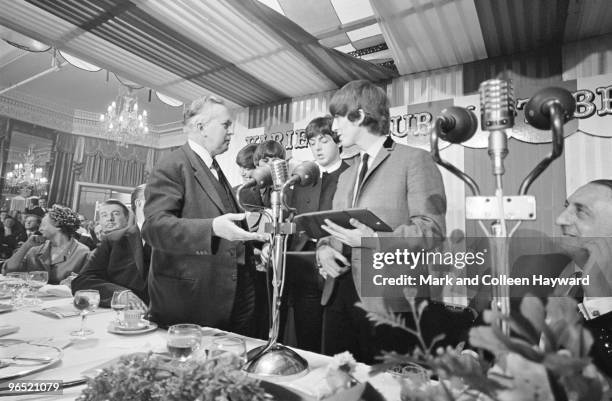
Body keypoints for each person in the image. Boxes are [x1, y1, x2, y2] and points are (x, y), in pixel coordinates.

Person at [315, 80, 448, 363]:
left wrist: (373, 241)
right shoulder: (346, 174)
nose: (333, 126)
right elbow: (332, 230)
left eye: (338, 117)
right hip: (337, 295)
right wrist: (323, 250)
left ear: (360, 116)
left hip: (389, 301)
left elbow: (432, 232)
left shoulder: (415, 160)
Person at [142, 96, 267, 333]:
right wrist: (211, 228)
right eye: (225, 125)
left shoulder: (214, 167)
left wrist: (253, 250)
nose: (231, 132)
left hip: (233, 294)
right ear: (201, 127)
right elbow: (153, 228)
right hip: (192, 300)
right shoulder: (173, 164)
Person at [511, 179, 612, 376]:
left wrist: (600, 300)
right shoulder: (534, 267)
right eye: (567, 207)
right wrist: (471, 355)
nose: (560, 219)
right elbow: (494, 320)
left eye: (581, 211)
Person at [281, 115, 350, 352]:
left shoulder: (352, 176)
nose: (317, 147)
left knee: (339, 341)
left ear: (339, 141)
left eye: (323, 140)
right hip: (304, 268)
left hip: (340, 266)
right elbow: (289, 220)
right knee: (306, 337)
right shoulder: (300, 180)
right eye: (312, 142)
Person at [71, 185, 149, 310]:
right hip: (122, 318)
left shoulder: (179, 239)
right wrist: (120, 294)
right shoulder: (114, 240)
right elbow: (83, 281)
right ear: (139, 204)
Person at [4, 205, 90, 284]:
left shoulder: (81, 252)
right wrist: (26, 246)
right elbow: (9, 270)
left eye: (44, 224)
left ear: (58, 226)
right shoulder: (35, 248)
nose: (40, 229)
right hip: (33, 298)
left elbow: (87, 283)